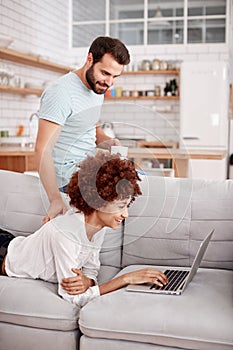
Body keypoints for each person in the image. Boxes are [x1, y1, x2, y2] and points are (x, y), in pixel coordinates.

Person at [0, 152, 168, 308]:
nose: (126, 214)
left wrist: (88, 282)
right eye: (121, 206)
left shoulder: (98, 226)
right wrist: (125, 279)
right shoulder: (66, 235)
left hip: (11, 242)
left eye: (127, 205)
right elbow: (73, 297)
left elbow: (91, 269)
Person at [35, 36, 130, 224]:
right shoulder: (61, 93)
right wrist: (55, 199)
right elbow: (41, 150)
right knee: (133, 187)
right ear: (89, 59)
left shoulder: (97, 89)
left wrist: (107, 141)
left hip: (85, 166)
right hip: (66, 176)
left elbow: (91, 128)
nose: (109, 82)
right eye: (105, 73)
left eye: (114, 77)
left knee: (137, 178)